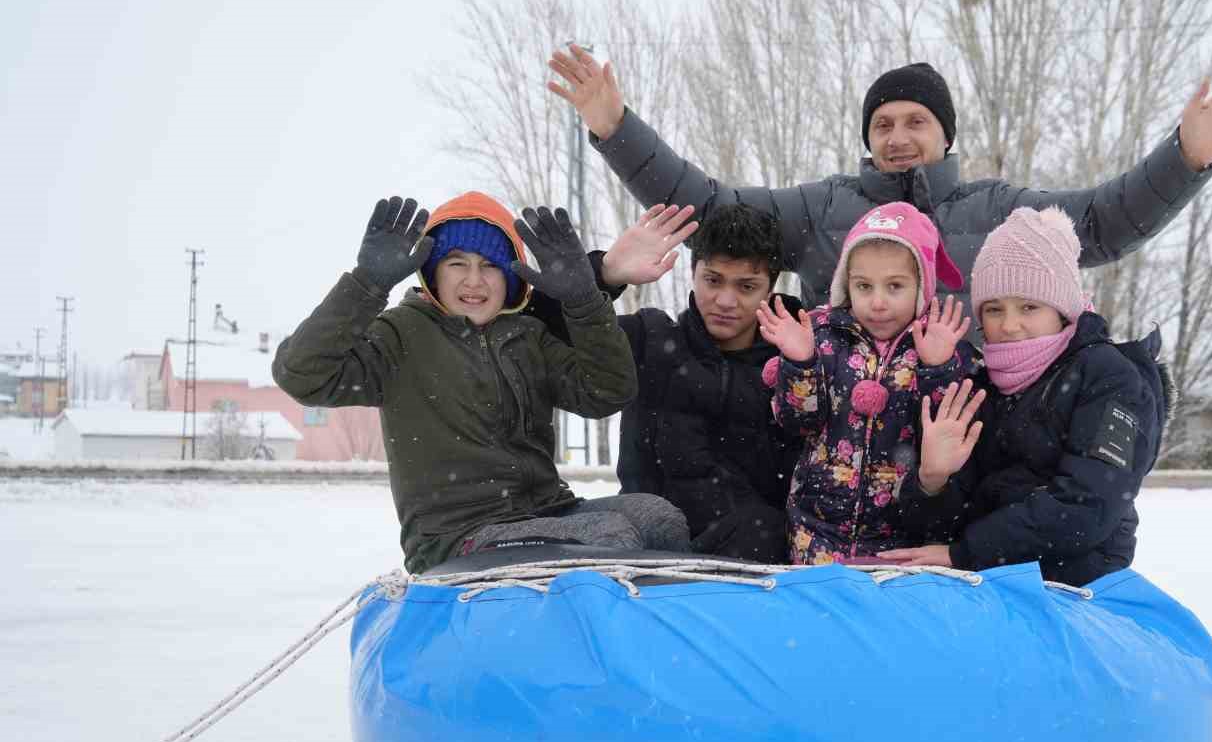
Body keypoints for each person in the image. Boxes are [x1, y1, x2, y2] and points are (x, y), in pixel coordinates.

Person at [547, 46, 1212, 308]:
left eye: (915, 122)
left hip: (961, 449)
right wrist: (615, 127)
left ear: (945, 134)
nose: (898, 136)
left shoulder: (996, 209)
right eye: (883, 124)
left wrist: (1189, 154)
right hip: (844, 450)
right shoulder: (820, 207)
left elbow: (1101, 224)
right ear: (867, 138)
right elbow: (709, 210)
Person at [271, 192, 691, 574]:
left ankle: (659, 644)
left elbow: (608, 392)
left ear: (511, 277)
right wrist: (368, 283)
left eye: (489, 265)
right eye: (457, 263)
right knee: (610, 538)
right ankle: (593, 652)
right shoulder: (400, 335)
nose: (474, 281)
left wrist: (583, 299)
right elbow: (301, 375)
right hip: (457, 536)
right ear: (432, 274)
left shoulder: (525, 334)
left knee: (659, 518)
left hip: (546, 512)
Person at [881, 206, 1171, 586]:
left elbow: (1087, 505)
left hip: (1076, 586)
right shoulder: (981, 384)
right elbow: (940, 526)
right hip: (986, 581)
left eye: (1029, 307)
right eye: (995, 309)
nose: (1010, 325)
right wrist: (932, 481)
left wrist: (966, 553)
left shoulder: (1109, 376)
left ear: (1062, 309)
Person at [757, 201, 978, 564]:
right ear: (846, 284)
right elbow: (798, 423)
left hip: (898, 539)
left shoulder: (939, 347)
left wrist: (937, 368)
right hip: (815, 533)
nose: (877, 302)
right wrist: (801, 362)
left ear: (922, 286)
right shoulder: (823, 337)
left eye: (894, 286)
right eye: (863, 286)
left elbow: (942, 437)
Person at [598, 203, 807, 562]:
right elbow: (547, 336)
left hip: (752, 567)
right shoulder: (649, 340)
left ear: (769, 289)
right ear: (693, 273)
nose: (725, 301)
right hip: (645, 559)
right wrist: (603, 276)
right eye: (713, 280)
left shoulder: (796, 365)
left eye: (746, 286)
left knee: (761, 529)